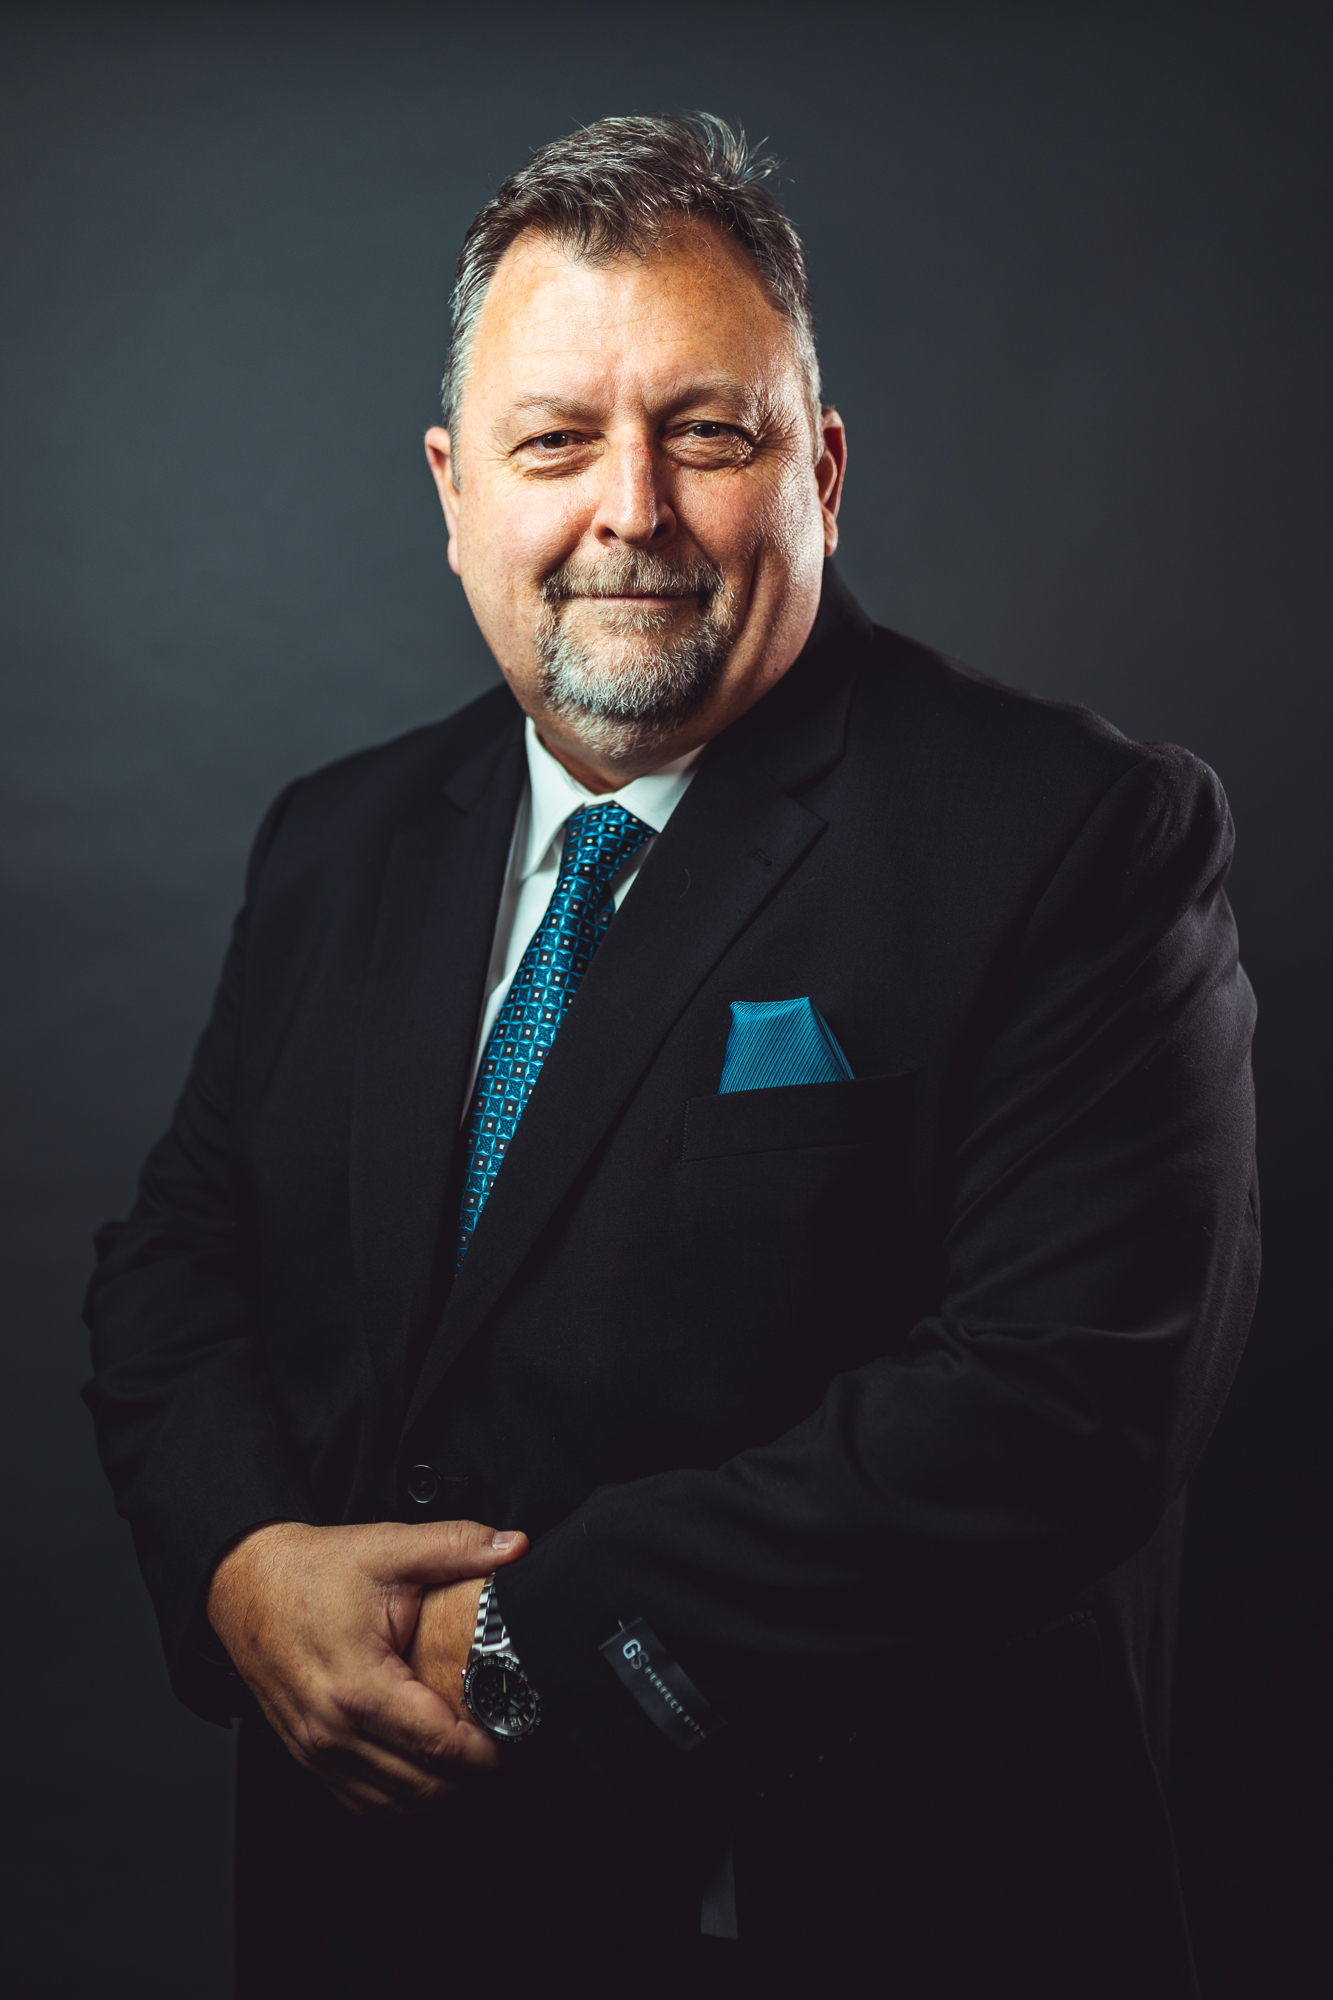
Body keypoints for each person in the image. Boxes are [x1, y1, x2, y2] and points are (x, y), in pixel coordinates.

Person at [84, 114, 1258, 2000]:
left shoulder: (1070, 833)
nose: (629, 506)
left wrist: (523, 1638)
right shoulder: (335, 838)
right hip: (371, 1911)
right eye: (556, 442)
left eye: (705, 433)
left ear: (824, 471)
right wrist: (239, 1568)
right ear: (455, 490)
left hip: (839, 1916)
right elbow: (175, 1269)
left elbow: (1060, 1407)